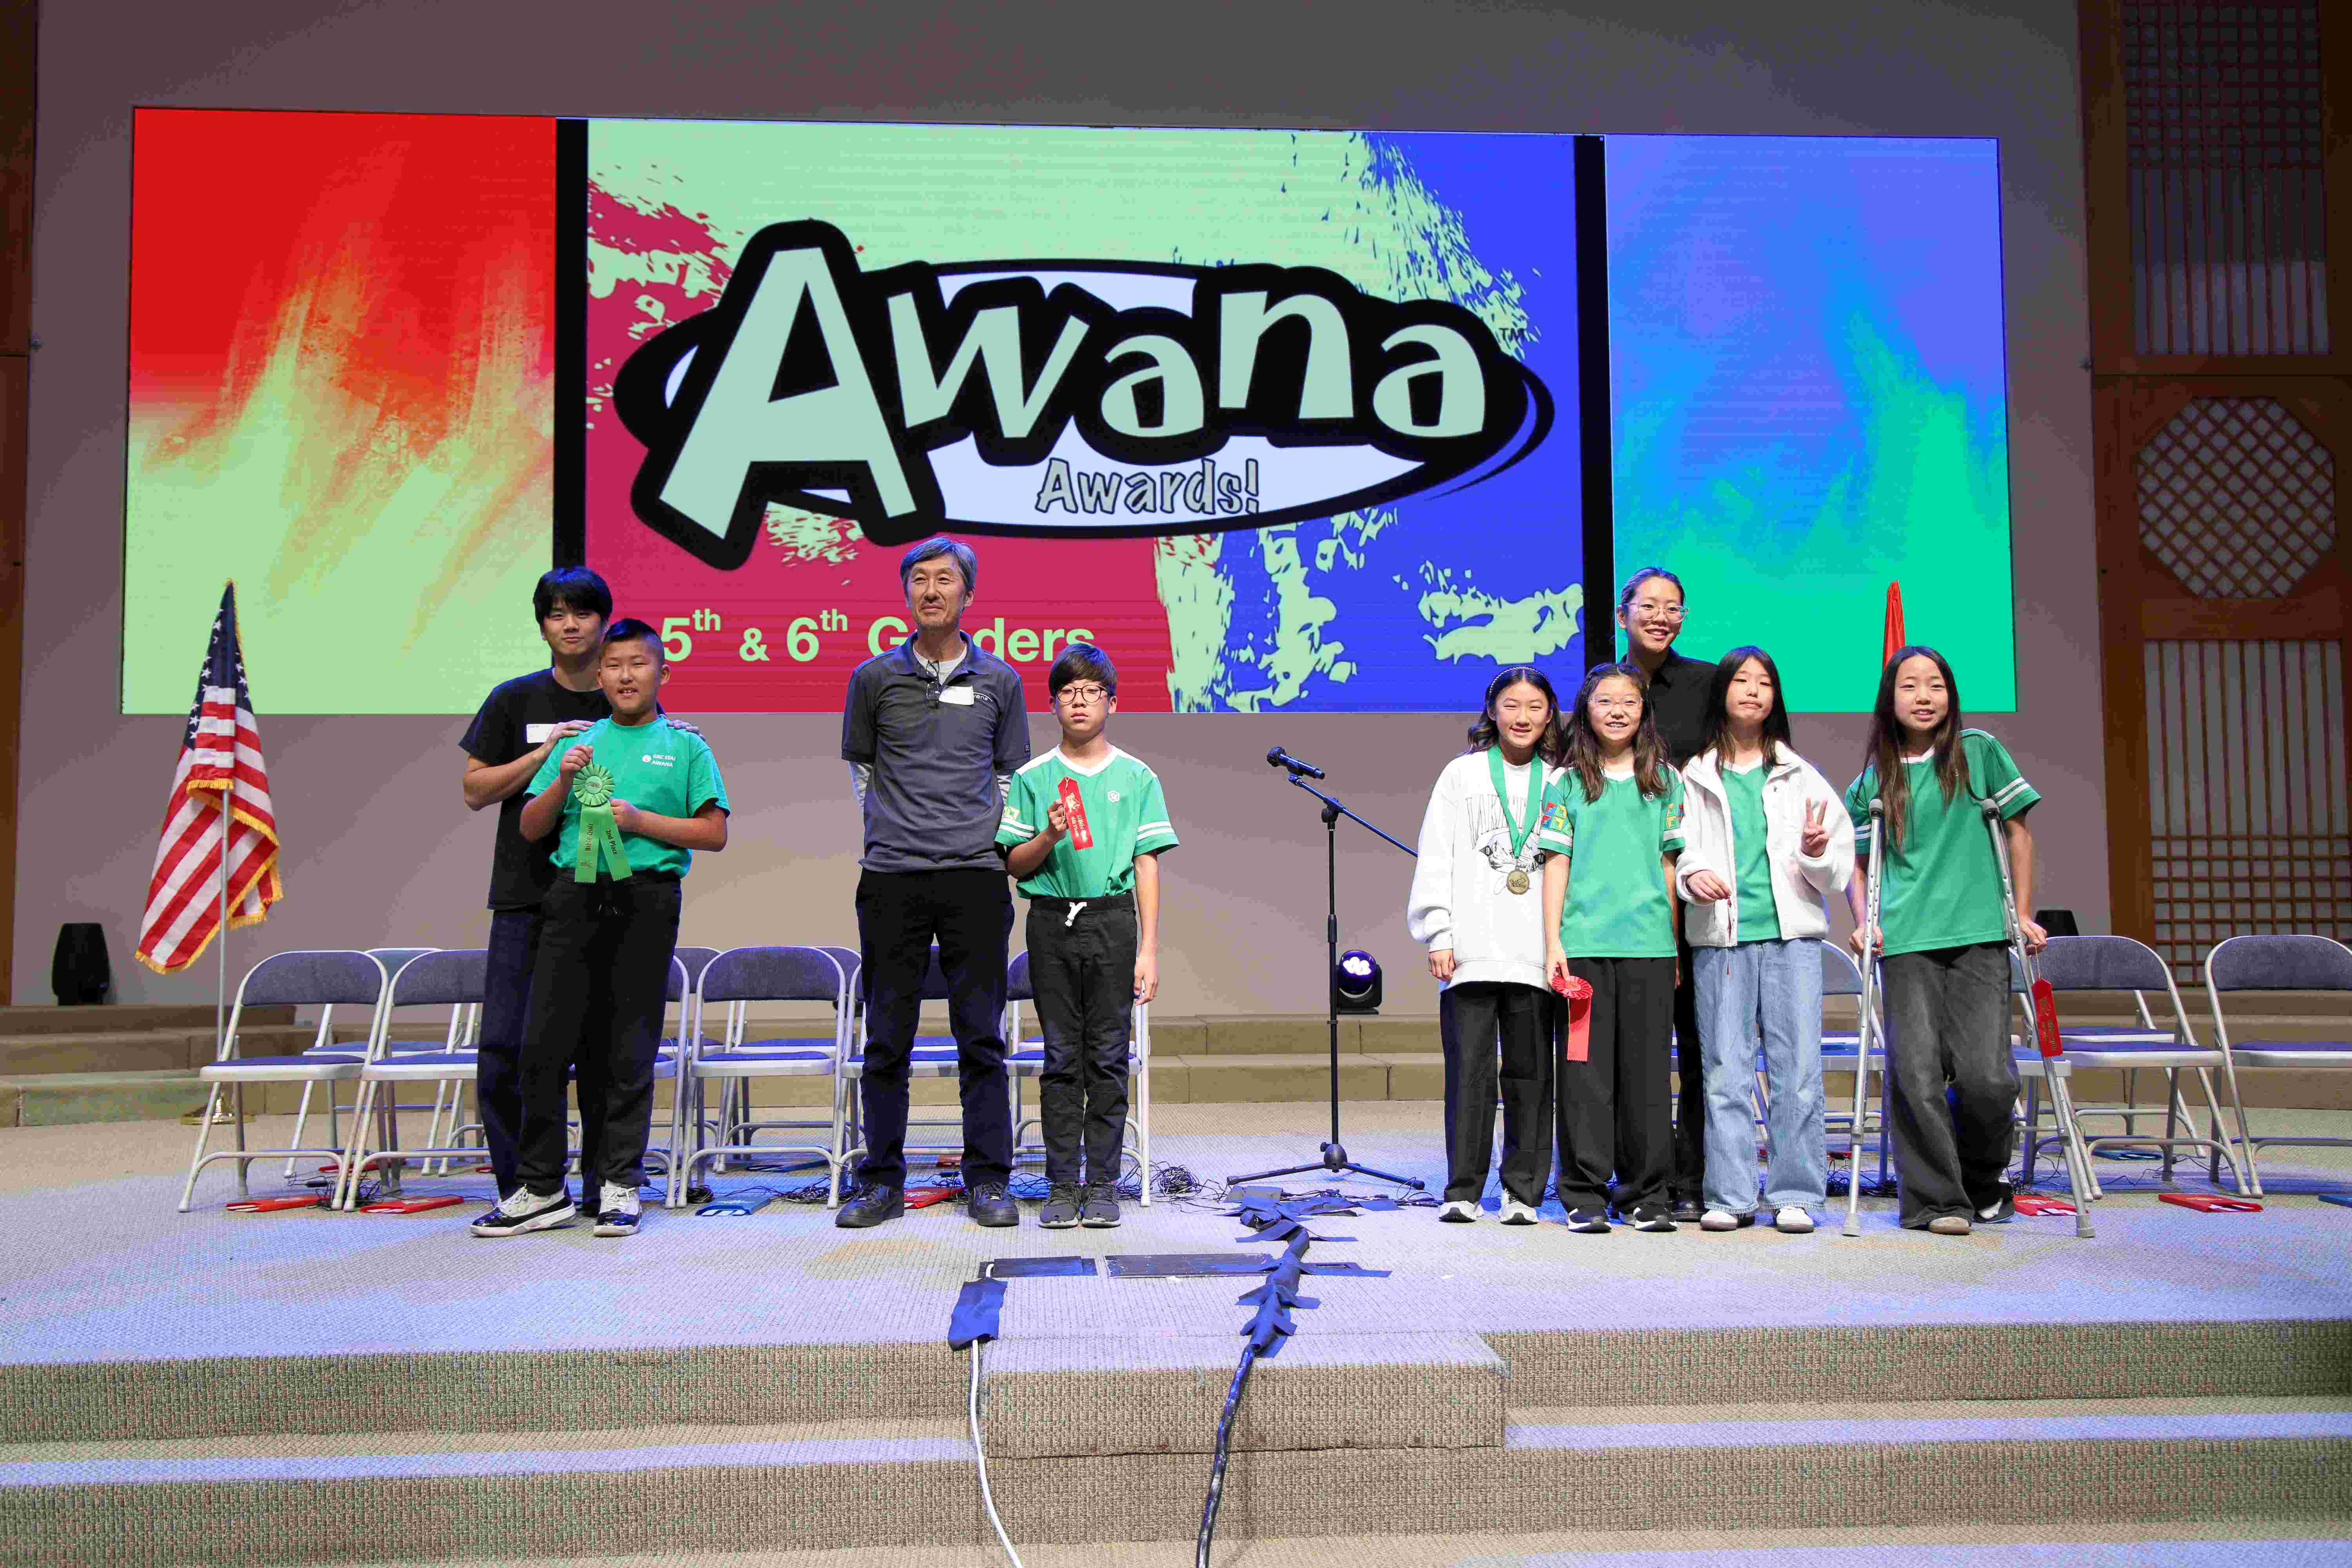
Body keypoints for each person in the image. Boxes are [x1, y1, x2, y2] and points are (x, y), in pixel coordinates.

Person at [476, 618, 730, 1237]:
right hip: (572, 896)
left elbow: (714, 832)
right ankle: (542, 1188)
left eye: (638, 664)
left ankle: (620, 1183)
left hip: (647, 899)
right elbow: (530, 828)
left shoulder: (687, 746)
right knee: (543, 1045)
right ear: (599, 676)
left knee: (628, 1045)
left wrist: (641, 821)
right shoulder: (578, 743)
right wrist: (564, 777)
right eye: (614, 666)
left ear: (662, 672)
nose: (625, 676)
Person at [838, 538, 1031, 1229]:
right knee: (887, 1039)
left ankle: (989, 1181)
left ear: (967, 595)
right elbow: (863, 770)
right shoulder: (872, 678)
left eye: (945, 580)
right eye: (919, 579)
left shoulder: (1001, 681)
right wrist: (900, 828)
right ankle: (881, 1184)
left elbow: (1009, 777)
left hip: (975, 877)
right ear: (906, 594)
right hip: (892, 875)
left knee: (980, 1036)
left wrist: (976, 835)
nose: (931, 590)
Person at [1843, 646, 2043, 1236]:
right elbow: (1857, 865)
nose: (1924, 696)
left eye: (1935, 684)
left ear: (1950, 695)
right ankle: (1936, 1201)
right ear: (1890, 699)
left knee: (1988, 1077)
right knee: (1916, 1075)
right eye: (1909, 686)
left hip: (1980, 933)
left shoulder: (1979, 752)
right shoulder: (1871, 782)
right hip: (1906, 942)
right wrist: (1864, 919)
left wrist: (2021, 914)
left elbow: (2019, 835)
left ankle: (1982, 1179)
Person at [996, 644, 1177, 1230]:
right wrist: (1048, 836)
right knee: (1060, 1058)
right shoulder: (1032, 778)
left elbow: (1147, 864)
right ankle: (1060, 1185)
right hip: (1051, 922)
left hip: (1113, 921)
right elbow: (1014, 864)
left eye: (1091, 692)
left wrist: (1149, 949)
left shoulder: (1138, 777)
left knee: (1106, 1056)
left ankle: (1102, 1184)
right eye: (1068, 693)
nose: (1079, 702)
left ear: (1112, 703)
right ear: (1053, 705)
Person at [1674, 648, 1853, 1234]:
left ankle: (1796, 1193)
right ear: (1722, 692)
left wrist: (1816, 852)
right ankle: (1729, 1195)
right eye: (1742, 681)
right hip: (1720, 939)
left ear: (1776, 698)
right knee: (1725, 1070)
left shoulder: (1801, 776)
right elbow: (1677, 850)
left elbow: (1836, 871)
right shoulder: (1694, 776)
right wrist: (1693, 876)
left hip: (1791, 940)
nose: (1753, 690)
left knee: (1796, 1070)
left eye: (1765, 682)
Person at [1406, 667, 1564, 1225]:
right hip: (1470, 950)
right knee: (1468, 1076)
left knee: (1531, 1077)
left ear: (1550, 714)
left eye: (1535, 707)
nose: (1523, 717)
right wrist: (1439, 931)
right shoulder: (1462, 774)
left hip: (1536, 954)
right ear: (1492, 712)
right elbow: (1437, 855)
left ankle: (1523, 1192)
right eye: (1511, 705)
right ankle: (1463, 1189)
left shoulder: (1561, 779)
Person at [1539, 662, 1686, 1234]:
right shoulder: (1566, 782)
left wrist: (1673, 945)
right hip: (1584, 950)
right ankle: (1584, 1193)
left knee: (1647, 1078)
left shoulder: (1666, 781)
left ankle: (1647, 1194)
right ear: (1587, 710)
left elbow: (1669, 867)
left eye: (1629, 700)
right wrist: (1554, 942)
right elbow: (1557, 863)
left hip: (1651, 949)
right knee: (1585, 1076)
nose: (1617, 710)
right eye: (1605, 700)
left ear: (1644, 711)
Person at [1613, 566, 1717, 1225]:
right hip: (1627, 894)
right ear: (1623, 613)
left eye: (1673, 607)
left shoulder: (1708, 684)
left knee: (1702, 1045)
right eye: (1648, 606)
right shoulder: (1604, 685)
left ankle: (1695, 1175)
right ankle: (1638, 1174)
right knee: (1635, 1052)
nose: (1661, 617)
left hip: (1698, 884)